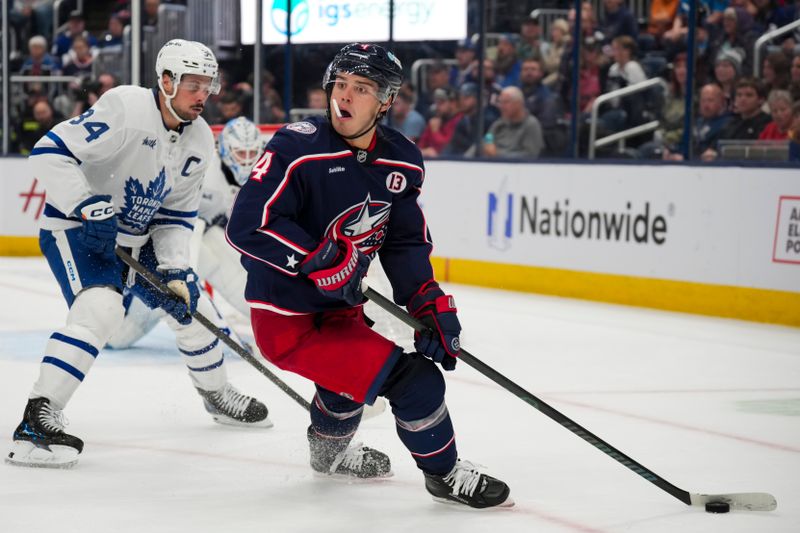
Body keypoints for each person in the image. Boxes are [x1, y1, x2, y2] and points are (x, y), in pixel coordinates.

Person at [226, 42, 513, 509]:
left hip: (342, 308)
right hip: (286, 319)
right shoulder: (295, 147)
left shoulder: (401, 160)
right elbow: (248, 224)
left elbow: (403, 242)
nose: (345, 96)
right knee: (415, 382)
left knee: (347, 386)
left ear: (385, 101)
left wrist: (425, 299)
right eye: (340, 84)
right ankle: (444, 474)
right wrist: (317, 258)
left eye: (361, 88)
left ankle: (328, 453)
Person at [6, 39, 270, 470]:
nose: (202, 95)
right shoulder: (127, 107)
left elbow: (173, 219)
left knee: (189, 308)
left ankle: (217, 394)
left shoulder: (200, 138)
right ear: (165, 80)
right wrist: (86, 204)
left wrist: (174, 267)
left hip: (138, 238)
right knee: (101, 309)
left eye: (208, 84)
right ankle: (37, 420)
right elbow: (49, 153)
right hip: (76, 230)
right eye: (192, 84)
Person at [107, 117, 266, 348]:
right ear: (224, 150)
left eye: (252, 153)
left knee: (240, 278)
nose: (247, 160)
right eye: (241, 153)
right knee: (119, 337)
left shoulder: (260, 177)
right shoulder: (203, 169)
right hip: (166, 248)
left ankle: (266, 319)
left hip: (204, 237)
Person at [482, 86, 544, 159]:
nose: (501, 106)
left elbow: (530, 155)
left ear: (518, 104)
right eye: (500, 102)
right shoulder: (499, 123)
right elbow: (488, 138)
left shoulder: (531, 125)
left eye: (506, 102)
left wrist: (498, 155)